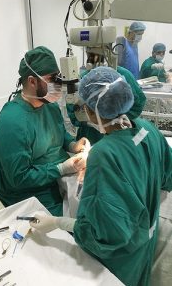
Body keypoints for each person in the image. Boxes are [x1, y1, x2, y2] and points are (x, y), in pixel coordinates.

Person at [30, 66, 172, 286]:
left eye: (84, 106)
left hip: (121, 258)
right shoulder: (148, 130)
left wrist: (57, 222)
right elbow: (166, 177)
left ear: (91, 110)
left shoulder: (105, 155)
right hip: (145, 241)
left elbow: (104, 235)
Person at [0, 46, 88, 216]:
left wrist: (72, 145)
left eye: (59, 76)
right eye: (52, 78)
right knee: (67, 226)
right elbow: (19, 178)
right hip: (27, 189)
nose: (58, 83)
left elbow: (58, 132)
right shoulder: (12, 122)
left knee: (89, 203)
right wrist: (60, 169)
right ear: (32, 81)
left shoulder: (49, 106)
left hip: (54, 175)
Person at [66, 65, 146, 145]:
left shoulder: (102, 151)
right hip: (93, 136)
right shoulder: (144, 130)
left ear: (90, 111)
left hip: (94, 140)